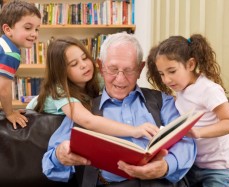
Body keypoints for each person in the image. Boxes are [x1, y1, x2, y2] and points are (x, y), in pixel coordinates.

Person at [42, 32, 197, 187]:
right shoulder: (83, 111)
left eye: (129, 70)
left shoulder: (162, 101)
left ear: (140, 69)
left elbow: (185, 139)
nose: (120, 79)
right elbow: (49, 165)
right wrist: (59, 155)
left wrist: (166, 166)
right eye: (113, 69)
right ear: (101, 67)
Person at [146, 34, 229, 186]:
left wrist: (199, 132)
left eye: (172, 71)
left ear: (191, 64)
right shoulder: (181, 90)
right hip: (194, 165)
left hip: (218, 167)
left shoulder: (208, 90)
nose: (166, 79)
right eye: (162, 74)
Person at [26, 36, 159, 139]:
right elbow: (88, 121)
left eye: (85, 58)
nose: (84, 65)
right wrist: (134, 130)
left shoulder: (95, 80)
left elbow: (123, 85)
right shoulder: (59, 91)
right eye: (74, 64)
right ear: (61, 72)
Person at [0, 0, 41, 129]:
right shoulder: (9, 53)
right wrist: (10, 113)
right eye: (28, 28)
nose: (34, 34)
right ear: (8, 30)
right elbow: (3, 88)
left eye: (37, 29)